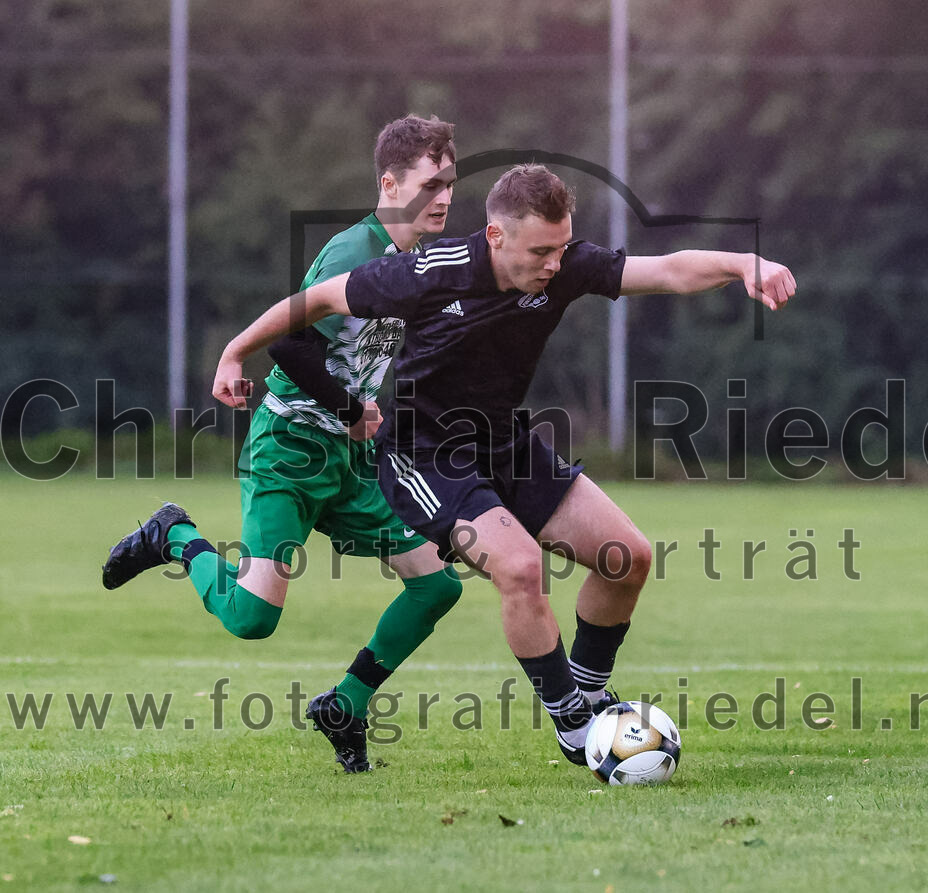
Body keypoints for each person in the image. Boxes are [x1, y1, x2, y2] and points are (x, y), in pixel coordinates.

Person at [211, 163, 797, 764]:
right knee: (519, 568)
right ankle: (573, 724)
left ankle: (590, 696)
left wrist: (741, 264)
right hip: (426, 458)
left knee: (629, 558)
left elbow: (668, 270)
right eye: (541, 250)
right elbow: (316, 300)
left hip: (505, 446)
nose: (553, 263)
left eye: (561, 247)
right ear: (495, 236)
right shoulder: (428, 275)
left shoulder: (564, 266)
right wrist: (235, 353)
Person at [101, 114, 463, 773]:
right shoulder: (356, 252)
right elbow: (291, 345)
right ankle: (174, 537)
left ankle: (345, 705)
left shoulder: (413, 265)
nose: (444, 195)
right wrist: (353, 407)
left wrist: (376, 411)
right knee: (251, 620)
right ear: (390, 183)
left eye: (451, 183)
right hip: (291, 451)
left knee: (437, 585)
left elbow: (368, 354)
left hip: (349, 461)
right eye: (432, 181)